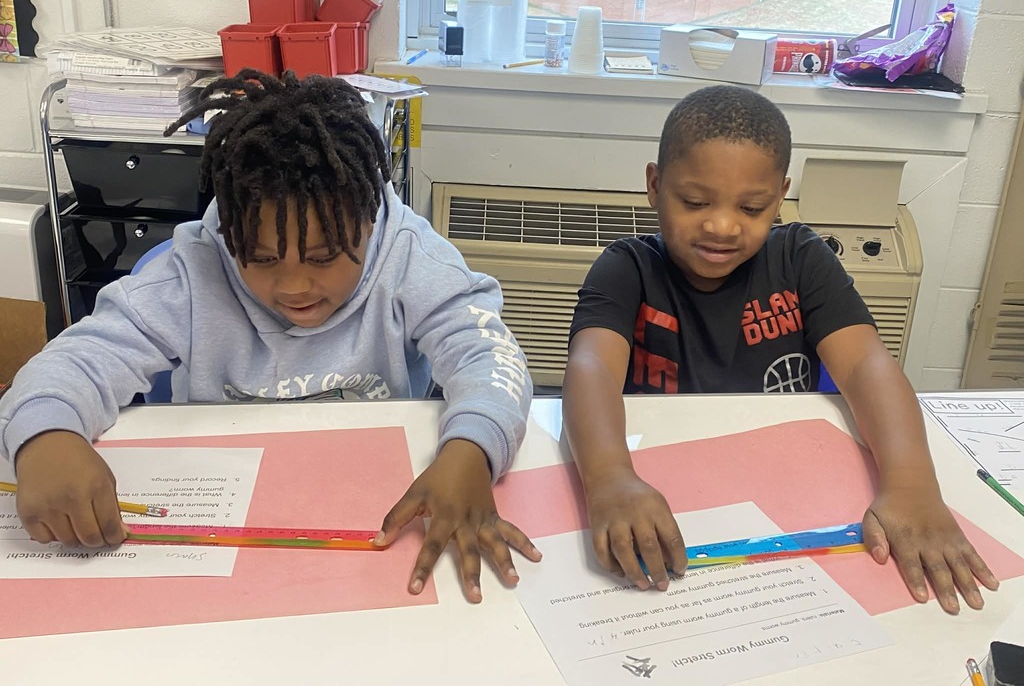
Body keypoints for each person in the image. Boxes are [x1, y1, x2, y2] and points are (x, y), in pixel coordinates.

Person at [0, 70, 540, 602]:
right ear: (231, 235)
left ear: (369, 222)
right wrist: (46, 436)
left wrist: (471, 450)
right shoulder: (191, 273)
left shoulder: (411, 258)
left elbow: (488, 356)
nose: (294, 287)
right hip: (221, 516)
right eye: (259, 259)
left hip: (374, 507)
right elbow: (82, 357)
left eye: (323, 258)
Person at [562, 85, 998, 615]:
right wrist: (609, 477)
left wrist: (912, 484)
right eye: (695, 202)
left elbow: (866, 364)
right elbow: (591, 368)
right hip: (662, 483)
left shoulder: (800, 258)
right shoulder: (627, 267)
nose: (722, 225)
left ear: (780, 195)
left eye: (751, 207)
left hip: (788, 485)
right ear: (655, 185)